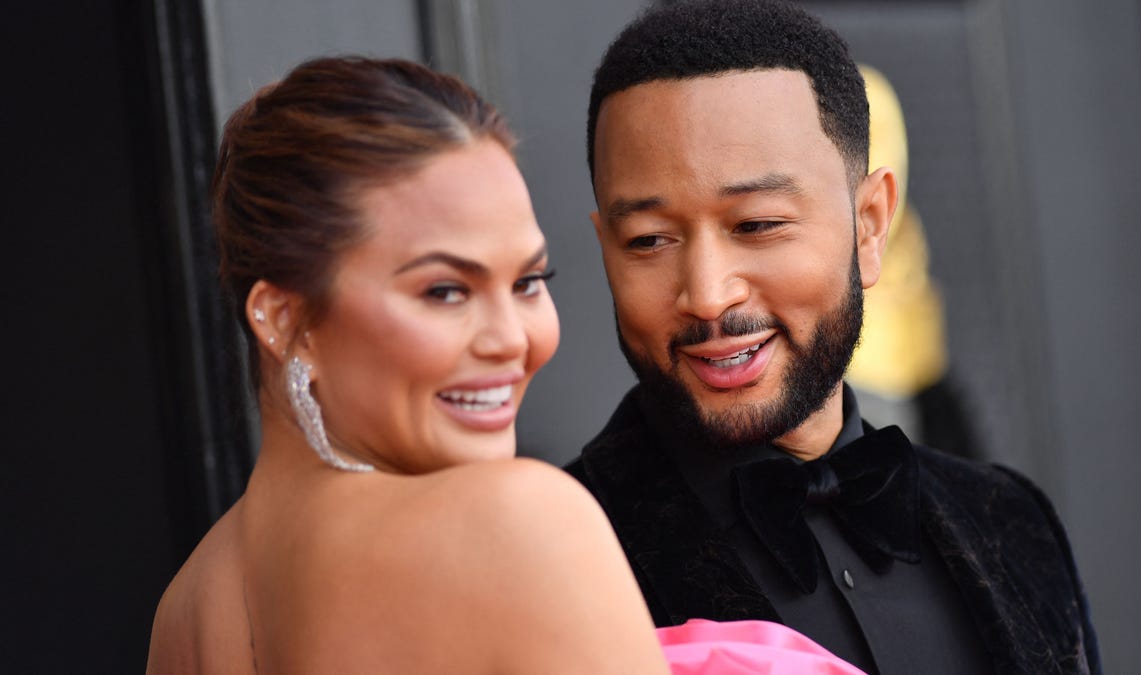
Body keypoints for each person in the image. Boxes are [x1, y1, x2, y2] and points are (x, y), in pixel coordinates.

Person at [146, 55, 865, 674]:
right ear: (283, 317)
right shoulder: (517, 522)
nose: (511, 338)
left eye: (527, 283)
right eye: (445, 290)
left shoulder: (186, 611)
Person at [566, 2, 1102, 674]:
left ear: (871, 225)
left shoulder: (1014, 523)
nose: (706, 294)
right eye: (648, 240)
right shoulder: (549, 566)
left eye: (757, 224)